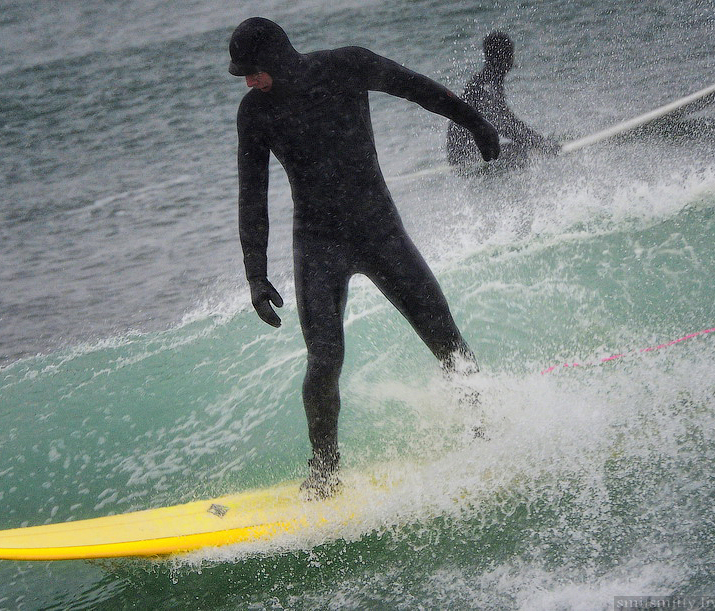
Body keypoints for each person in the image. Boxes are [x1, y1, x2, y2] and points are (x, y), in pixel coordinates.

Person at [228, 17, 500, 499]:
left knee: (444, 336)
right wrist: (255, 272)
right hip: (316, 244)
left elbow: (420, 90)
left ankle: (486, 436)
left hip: (380, 232)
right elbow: (254, 194)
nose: (248, 81)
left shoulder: (347, 66)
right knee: (325, 358)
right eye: (242, 74)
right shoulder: (256, 113)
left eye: (252, 70)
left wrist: (476, 123)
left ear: (274, 58)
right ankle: (325, 468)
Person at [446, 31, 559, 168]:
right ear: (498, 56)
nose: (511, 58)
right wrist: (540, 143)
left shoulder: (485, 81)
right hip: (465, 156)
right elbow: (501, 122)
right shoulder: (486, 84)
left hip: (467, 152)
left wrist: (537, 140)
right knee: (522, 152)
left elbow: (504, 119)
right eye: (508, 53)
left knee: (522, 148)